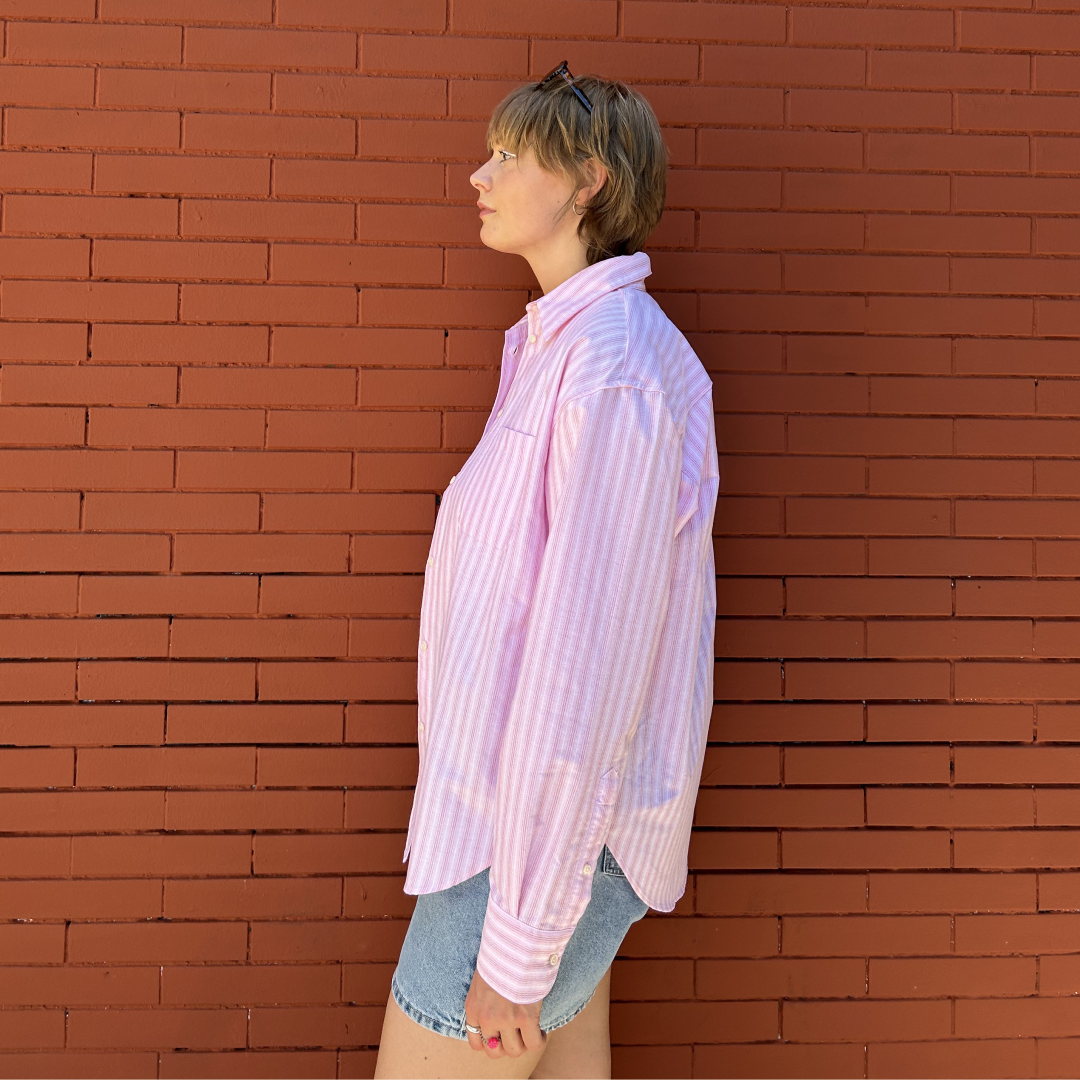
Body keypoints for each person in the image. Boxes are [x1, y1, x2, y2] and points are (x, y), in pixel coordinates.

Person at [374, 62, 719, 1080]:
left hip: (526, 855)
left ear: (589, 182)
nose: (479, 176)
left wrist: (520, 948)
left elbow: (583, 669)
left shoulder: (610, 369)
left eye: (510, 156)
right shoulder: (563, 352)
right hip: (544, 840)